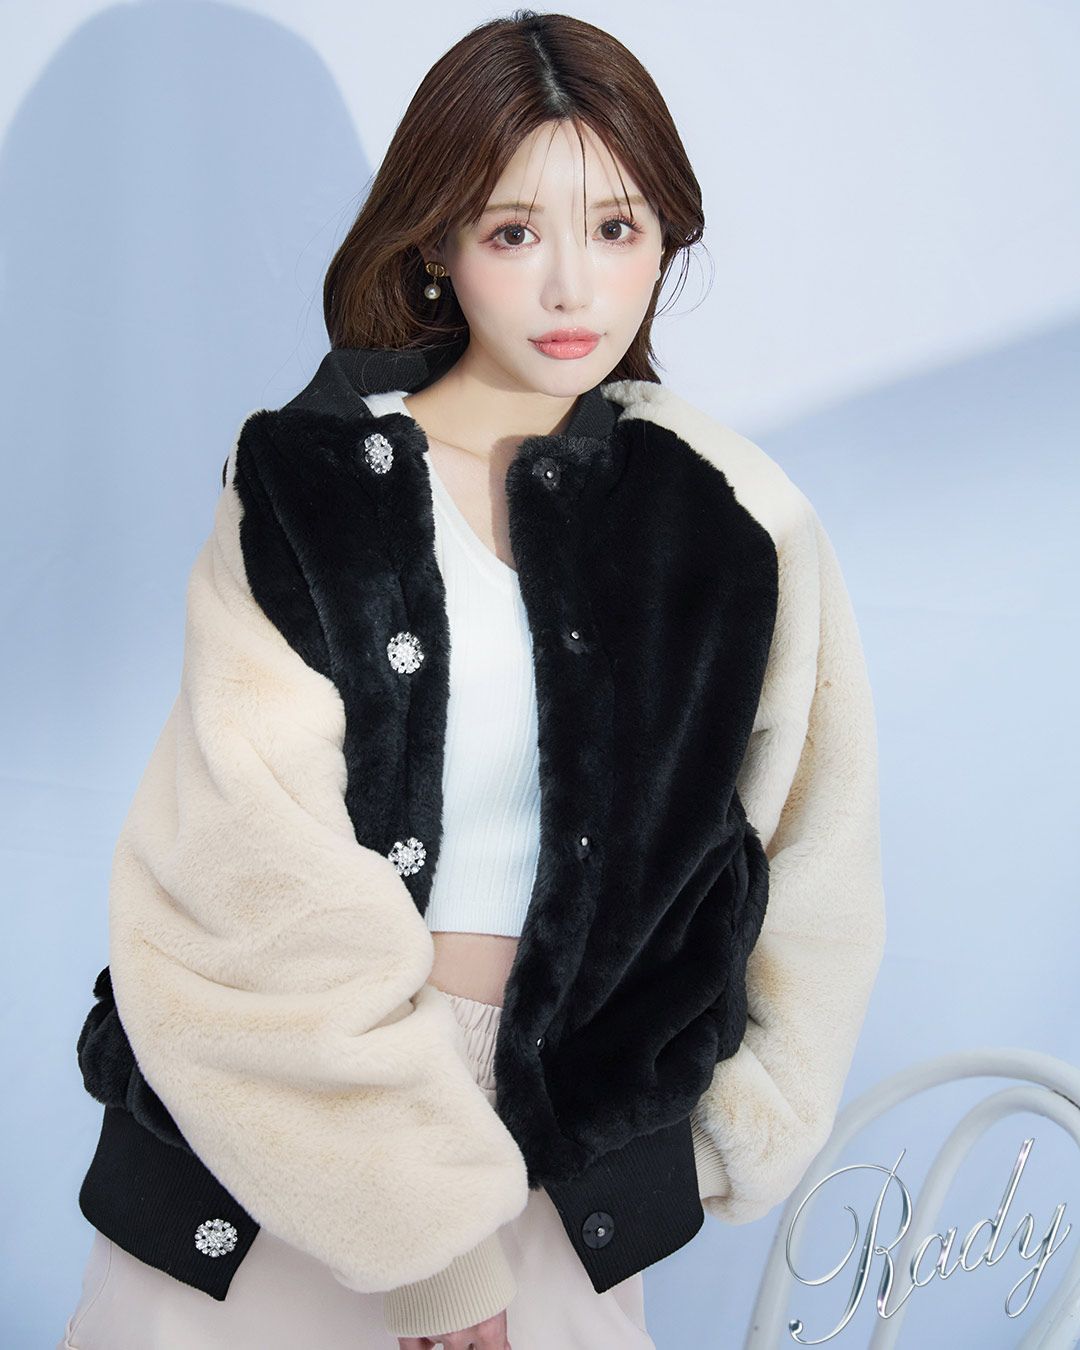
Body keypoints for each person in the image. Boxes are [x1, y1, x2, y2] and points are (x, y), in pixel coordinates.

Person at [59, 10, 886, 1349]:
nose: (571, 288)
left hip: (563, 1155)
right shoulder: (305, 487)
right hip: (278, 1133)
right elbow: (242, 870)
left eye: (614, 229)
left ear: (667, 239)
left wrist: (731, 1128)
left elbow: (817, 848)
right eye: (513, 233)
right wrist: (428, 1240)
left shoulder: (738, 521)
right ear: (437, 244)